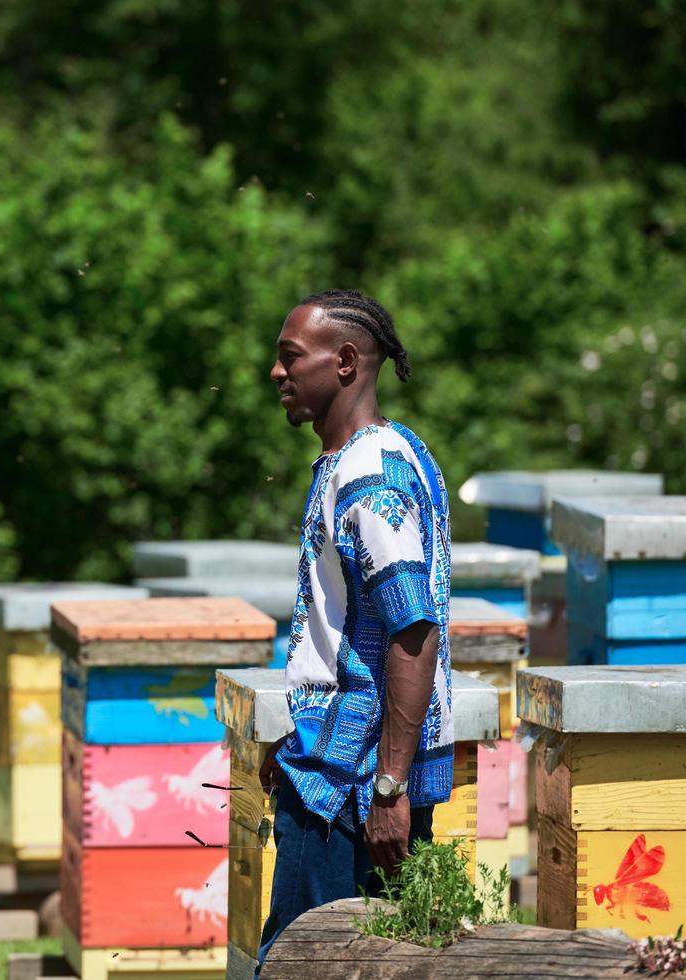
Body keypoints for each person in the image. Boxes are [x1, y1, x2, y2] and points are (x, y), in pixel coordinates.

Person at [254, 289, 453, 972]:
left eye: (290, 358)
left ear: (343, 362)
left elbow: (413, 631)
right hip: (336, 767)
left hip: (353, 788)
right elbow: (353, 631)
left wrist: (390, 790)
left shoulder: (371, 477)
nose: (277, 374)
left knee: (300, 964)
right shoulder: (369, 459)